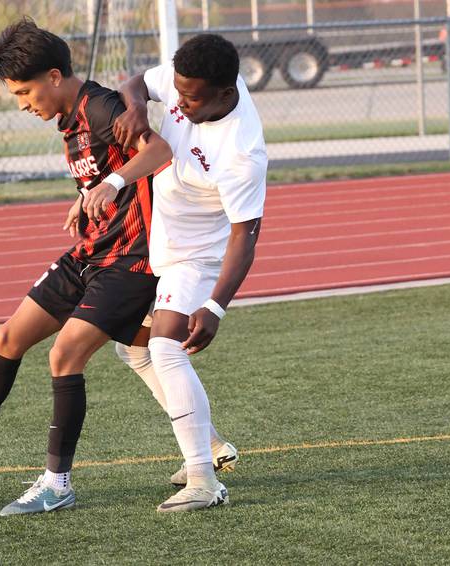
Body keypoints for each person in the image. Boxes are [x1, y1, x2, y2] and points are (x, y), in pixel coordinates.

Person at [0, 18, 172, 516]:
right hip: (89, 252)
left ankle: (56, 484)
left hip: (131, 261)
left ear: (56, 76)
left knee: (64, 356)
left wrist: (112, 184)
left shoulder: (102, 107)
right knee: (7, 338)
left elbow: (160, 150)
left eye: (25, 91)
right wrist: (88, 196)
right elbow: (100, 171)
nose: (22, 103)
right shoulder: (66, 117)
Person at [112, 33, 268, 512]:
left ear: (226, 93)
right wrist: (136, 105)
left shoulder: (243, 153)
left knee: (164, 348)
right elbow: (134, 81)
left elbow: (246, 236)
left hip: (197, 259)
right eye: (177, 93)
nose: (180, 103)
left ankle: (203, 480)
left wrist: (216, 305)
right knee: (131, 349)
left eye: (191, 97)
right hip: (160, 245)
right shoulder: (193, 81)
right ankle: (213, 446)